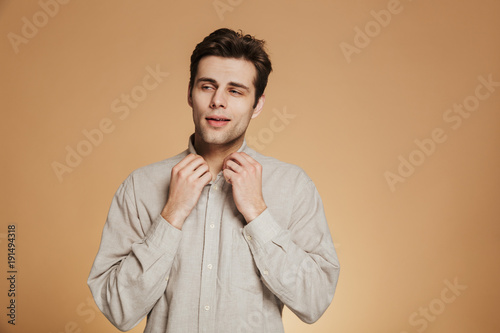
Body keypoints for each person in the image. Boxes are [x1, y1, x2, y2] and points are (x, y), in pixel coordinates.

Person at [87, 28, 340, 333]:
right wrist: (171, 215)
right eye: (207, 86)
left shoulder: (294, 186)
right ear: (190, 93)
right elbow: (117, 309)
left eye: (235, 90)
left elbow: (314, 302)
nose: (217, 101)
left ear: (257, 104)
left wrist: (258, 214)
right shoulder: (141, 185)